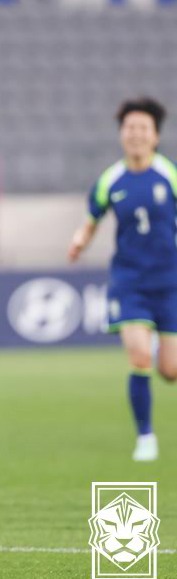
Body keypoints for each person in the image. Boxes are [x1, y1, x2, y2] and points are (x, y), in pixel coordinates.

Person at [69, 96, 177, 462]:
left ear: (156, 136)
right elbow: (92, 218)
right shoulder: (110, 180)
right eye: (130, 128)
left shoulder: (170, 174)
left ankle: (164, 351)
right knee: (139, 355)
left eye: (143, 129)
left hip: (170, 282)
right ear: (121, 134)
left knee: (170, 371)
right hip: (129, 281)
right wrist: (80, 241)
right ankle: (145, 437)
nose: (135, 134)